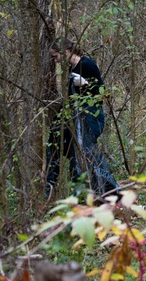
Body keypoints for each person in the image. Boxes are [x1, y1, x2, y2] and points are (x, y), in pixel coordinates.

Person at [45, 38, 119, 199]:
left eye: (56, 56)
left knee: (88, 156)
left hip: (91, 119)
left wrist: (85, 84)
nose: (55, 60)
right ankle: (57, 190)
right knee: (61, 147)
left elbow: (100, 93)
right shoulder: (71, 69)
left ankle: (108, 194)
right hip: (76, 120)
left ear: (65, 52)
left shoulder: (87, 65)